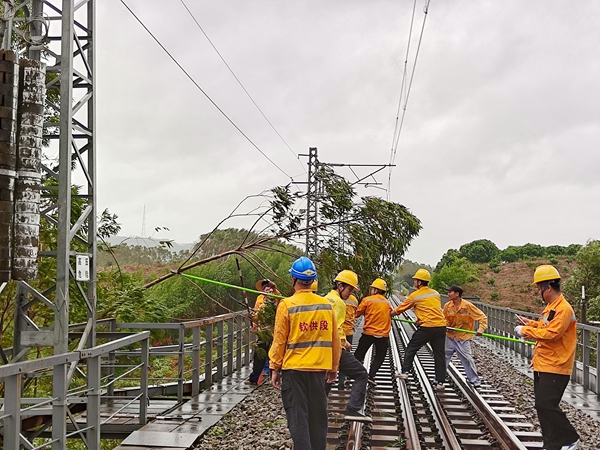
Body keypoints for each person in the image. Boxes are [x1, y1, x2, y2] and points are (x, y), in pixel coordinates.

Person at [269, 257, 341, 450]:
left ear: (294, 279)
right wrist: (334, 368)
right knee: (318, 418)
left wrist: (274, 367)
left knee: (299, 419)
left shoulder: (287, 305)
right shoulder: (327, 305)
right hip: (318, 371)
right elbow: (336, 340)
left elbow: (279, 340)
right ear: (313, 280)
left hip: (294, 372)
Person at [514, 265, 580, 450]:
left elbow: (553, 334)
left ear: (548, 287)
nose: (537, 292)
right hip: (543, 363)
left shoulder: (563, 309)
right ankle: (551, 445)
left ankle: (570, 439)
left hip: (556, 365)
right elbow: (545, 328)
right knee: (542, 407)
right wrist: (531, 323)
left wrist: (525, 331)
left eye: (538, 288)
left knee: (546, 405)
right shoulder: (551, 308)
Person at [324, 270, 371, 422]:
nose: (350, 293)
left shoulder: (325, 299)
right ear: (340, 285)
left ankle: (318, 409)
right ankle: (353, 409)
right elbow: (337, 329)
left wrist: (345, 341)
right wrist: (343, 343)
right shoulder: (338, 303)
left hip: (324, 348)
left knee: (328, 379)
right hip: (335, 348)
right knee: (361, 374)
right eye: (349, 289)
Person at [392, 268, 447, 390]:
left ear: (420, 282)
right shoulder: (436, 293)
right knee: (439, 354)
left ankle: (405, 372)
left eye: (415, 280)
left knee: (411, 348)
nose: (414, 282)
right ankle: (440, 382)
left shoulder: (415, 295)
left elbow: (400, 309)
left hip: (427, 327)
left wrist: (389, 314)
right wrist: (420, 318)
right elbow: (430, 309)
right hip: (441, 327)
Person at [443, 285, 487, 388]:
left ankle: (474, 380)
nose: (448, 294)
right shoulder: (447, 306)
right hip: (449, 336)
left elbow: (482, 317)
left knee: (467, 359)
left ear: (457, 294)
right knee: (443, 357)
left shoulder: (468, 306)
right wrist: (446, 325)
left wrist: (480, 329)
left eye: (450, 292)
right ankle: (439, 378)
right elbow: (443, 318)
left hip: (462, 337)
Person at [353, 278, 392, 383]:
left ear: (375, 290)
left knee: (359, 355)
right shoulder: (388, 303)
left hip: (368, 333)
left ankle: (353, 375)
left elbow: (356, 314)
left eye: (372, 289)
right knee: (380, 357)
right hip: (383, 336)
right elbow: (390, 314)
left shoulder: (367, 300)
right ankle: (371, 376)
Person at [246, 279, 279, 385]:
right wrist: (252, 317)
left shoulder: (276, 297)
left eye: (269, 288)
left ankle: (277, 376)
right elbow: (257, 315)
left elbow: (279, 301)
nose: (267, 290)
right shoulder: (259, 299)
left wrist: (274, 292)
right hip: (263, 332)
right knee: (259, 355)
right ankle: (254, 379)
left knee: (275, 354)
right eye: (265, 288)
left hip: (276, 331)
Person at [337, 293, 358, 388]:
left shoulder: (333, 298)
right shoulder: (354, 300)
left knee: (332, 356)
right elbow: (356, 314)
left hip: (336, 332)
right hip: (348, 332)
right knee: (344, 357)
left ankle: (328, 380)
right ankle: (342, 381)